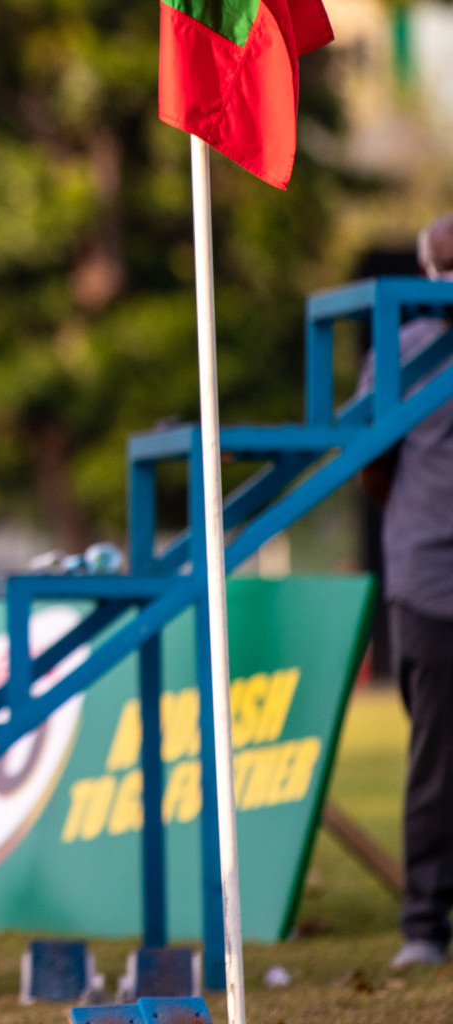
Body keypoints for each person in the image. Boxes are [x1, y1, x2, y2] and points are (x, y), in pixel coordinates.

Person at [359, 214, 453, 971]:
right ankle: (424, 918)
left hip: (423, 578)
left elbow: (371, 464)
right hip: (430, 580)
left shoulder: (402, 350)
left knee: (433, 760)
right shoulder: (406, 351)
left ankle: (425, 925)